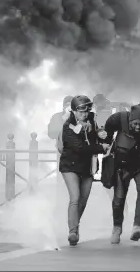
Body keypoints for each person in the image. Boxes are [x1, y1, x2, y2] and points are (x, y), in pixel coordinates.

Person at [59, 95, 110, 246]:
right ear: (73, 111)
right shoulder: (68, 126)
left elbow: (96, 137)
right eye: (80, 112)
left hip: (87, 167)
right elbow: (80, 147)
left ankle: (75, 225)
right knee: (75, 197)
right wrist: (101, 147)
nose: (84, 114)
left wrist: (101, 134)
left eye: (86, 111)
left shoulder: (92, 120)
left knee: (83, 200)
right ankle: (73, 231)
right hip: (70, 166)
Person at [103, 104, 140, 244]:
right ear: (129, 121)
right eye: (135, 124)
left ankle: (137, 226)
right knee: (119, 198)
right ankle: (117, 228)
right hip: (122, 165)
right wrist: (106, 141)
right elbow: (107, 129)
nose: (138, 127)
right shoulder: (118, 119)